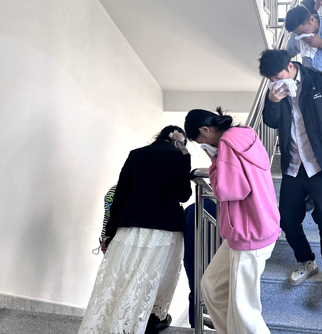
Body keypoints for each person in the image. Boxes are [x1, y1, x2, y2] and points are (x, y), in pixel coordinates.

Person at [259, 49, 322, 302]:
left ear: (290, 66)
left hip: (321, 165)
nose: (274, 82)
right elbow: (270, 122)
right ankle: (307, 261)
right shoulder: (275, 91)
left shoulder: (318, 82)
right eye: (270, 79)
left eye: (277, 76)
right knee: (287, 220)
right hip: (293, 166)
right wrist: (272, 101)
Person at [78, 126, 192, 334]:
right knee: (152, 279)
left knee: (121, 276)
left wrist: (109, 231)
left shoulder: (136, 154)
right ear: (180, 141)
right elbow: (184, 195)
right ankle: (145, 323)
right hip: (165, 228)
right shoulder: (179, 156)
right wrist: (186, 158)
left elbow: (120, 193)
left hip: (130, 225)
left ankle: (109, 324)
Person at [184, 108, 281, 334]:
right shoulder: (245, 135)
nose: (202, 145)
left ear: (205, 129)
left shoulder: (227, 144)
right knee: (211, 286)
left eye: (200, 141)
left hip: (249, 232)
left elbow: (227, 190)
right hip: (252, 227)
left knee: (245, 310)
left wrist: (214, 158)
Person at [183, 200, 217, 330]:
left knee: (195, 291)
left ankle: (195, 326)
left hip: (192, 256)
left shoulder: (191, 209)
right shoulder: (222, 210)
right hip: (214, 256)